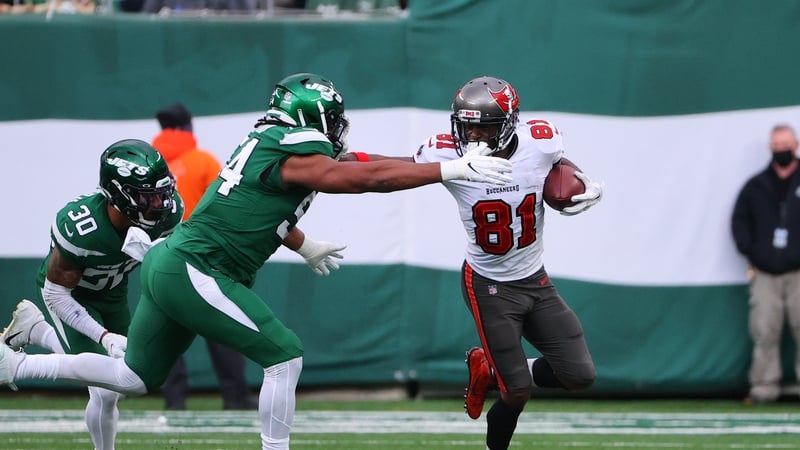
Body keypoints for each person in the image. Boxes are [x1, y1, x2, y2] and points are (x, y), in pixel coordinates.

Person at [0, 72, 513, 450]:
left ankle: (18, 364)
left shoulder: (275, 143)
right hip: (196, 268)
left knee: (134, 376)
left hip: (175, 264)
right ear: (310, 118)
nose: (338, 128)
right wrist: (446, 171)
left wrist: (437, 165)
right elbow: (360, 178)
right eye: (331, 118)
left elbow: (359, 164)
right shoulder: (290, 148)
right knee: (284, 356)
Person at [413, 76, 600, 450]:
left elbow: (558, 164)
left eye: (486, 126)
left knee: (579, 374)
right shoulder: (447, 153)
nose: (475, 135)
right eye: (467, 126)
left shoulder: (540, 141)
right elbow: (398, 171)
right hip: (489, 284)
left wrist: (585, 181)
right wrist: (347, 164)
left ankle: (488, 366)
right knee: (516, 391)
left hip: (535, 278)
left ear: (511, 123)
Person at [0, 139, 184, 450]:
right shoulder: (83, 228)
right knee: (105, 389)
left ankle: (37, 331)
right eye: (146, 196)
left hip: (113, 294)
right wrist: (103, 337)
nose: (159, 204)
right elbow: (57, 294)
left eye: (161, 193)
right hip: (70, 297)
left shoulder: (167, 216)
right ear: (118, 195)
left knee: (128, 375)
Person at [152, 101, 257, 411]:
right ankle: (235, 396)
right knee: (221, 324)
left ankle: (174, 400)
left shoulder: (153, 167)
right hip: (204, 257)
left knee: (168, 331)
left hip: (163, 258)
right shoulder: (203, 161)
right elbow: (226, 204)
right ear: (188, 126)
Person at [731, 123, 800, 404]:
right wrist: (752, 252)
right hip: (765, 271)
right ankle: (763, 388)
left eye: (785, 145)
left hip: (798, 270)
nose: (781, 150)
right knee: (764, 330)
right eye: (776, 146)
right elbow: (739, 222)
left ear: (796, 146)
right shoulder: (756, 185)